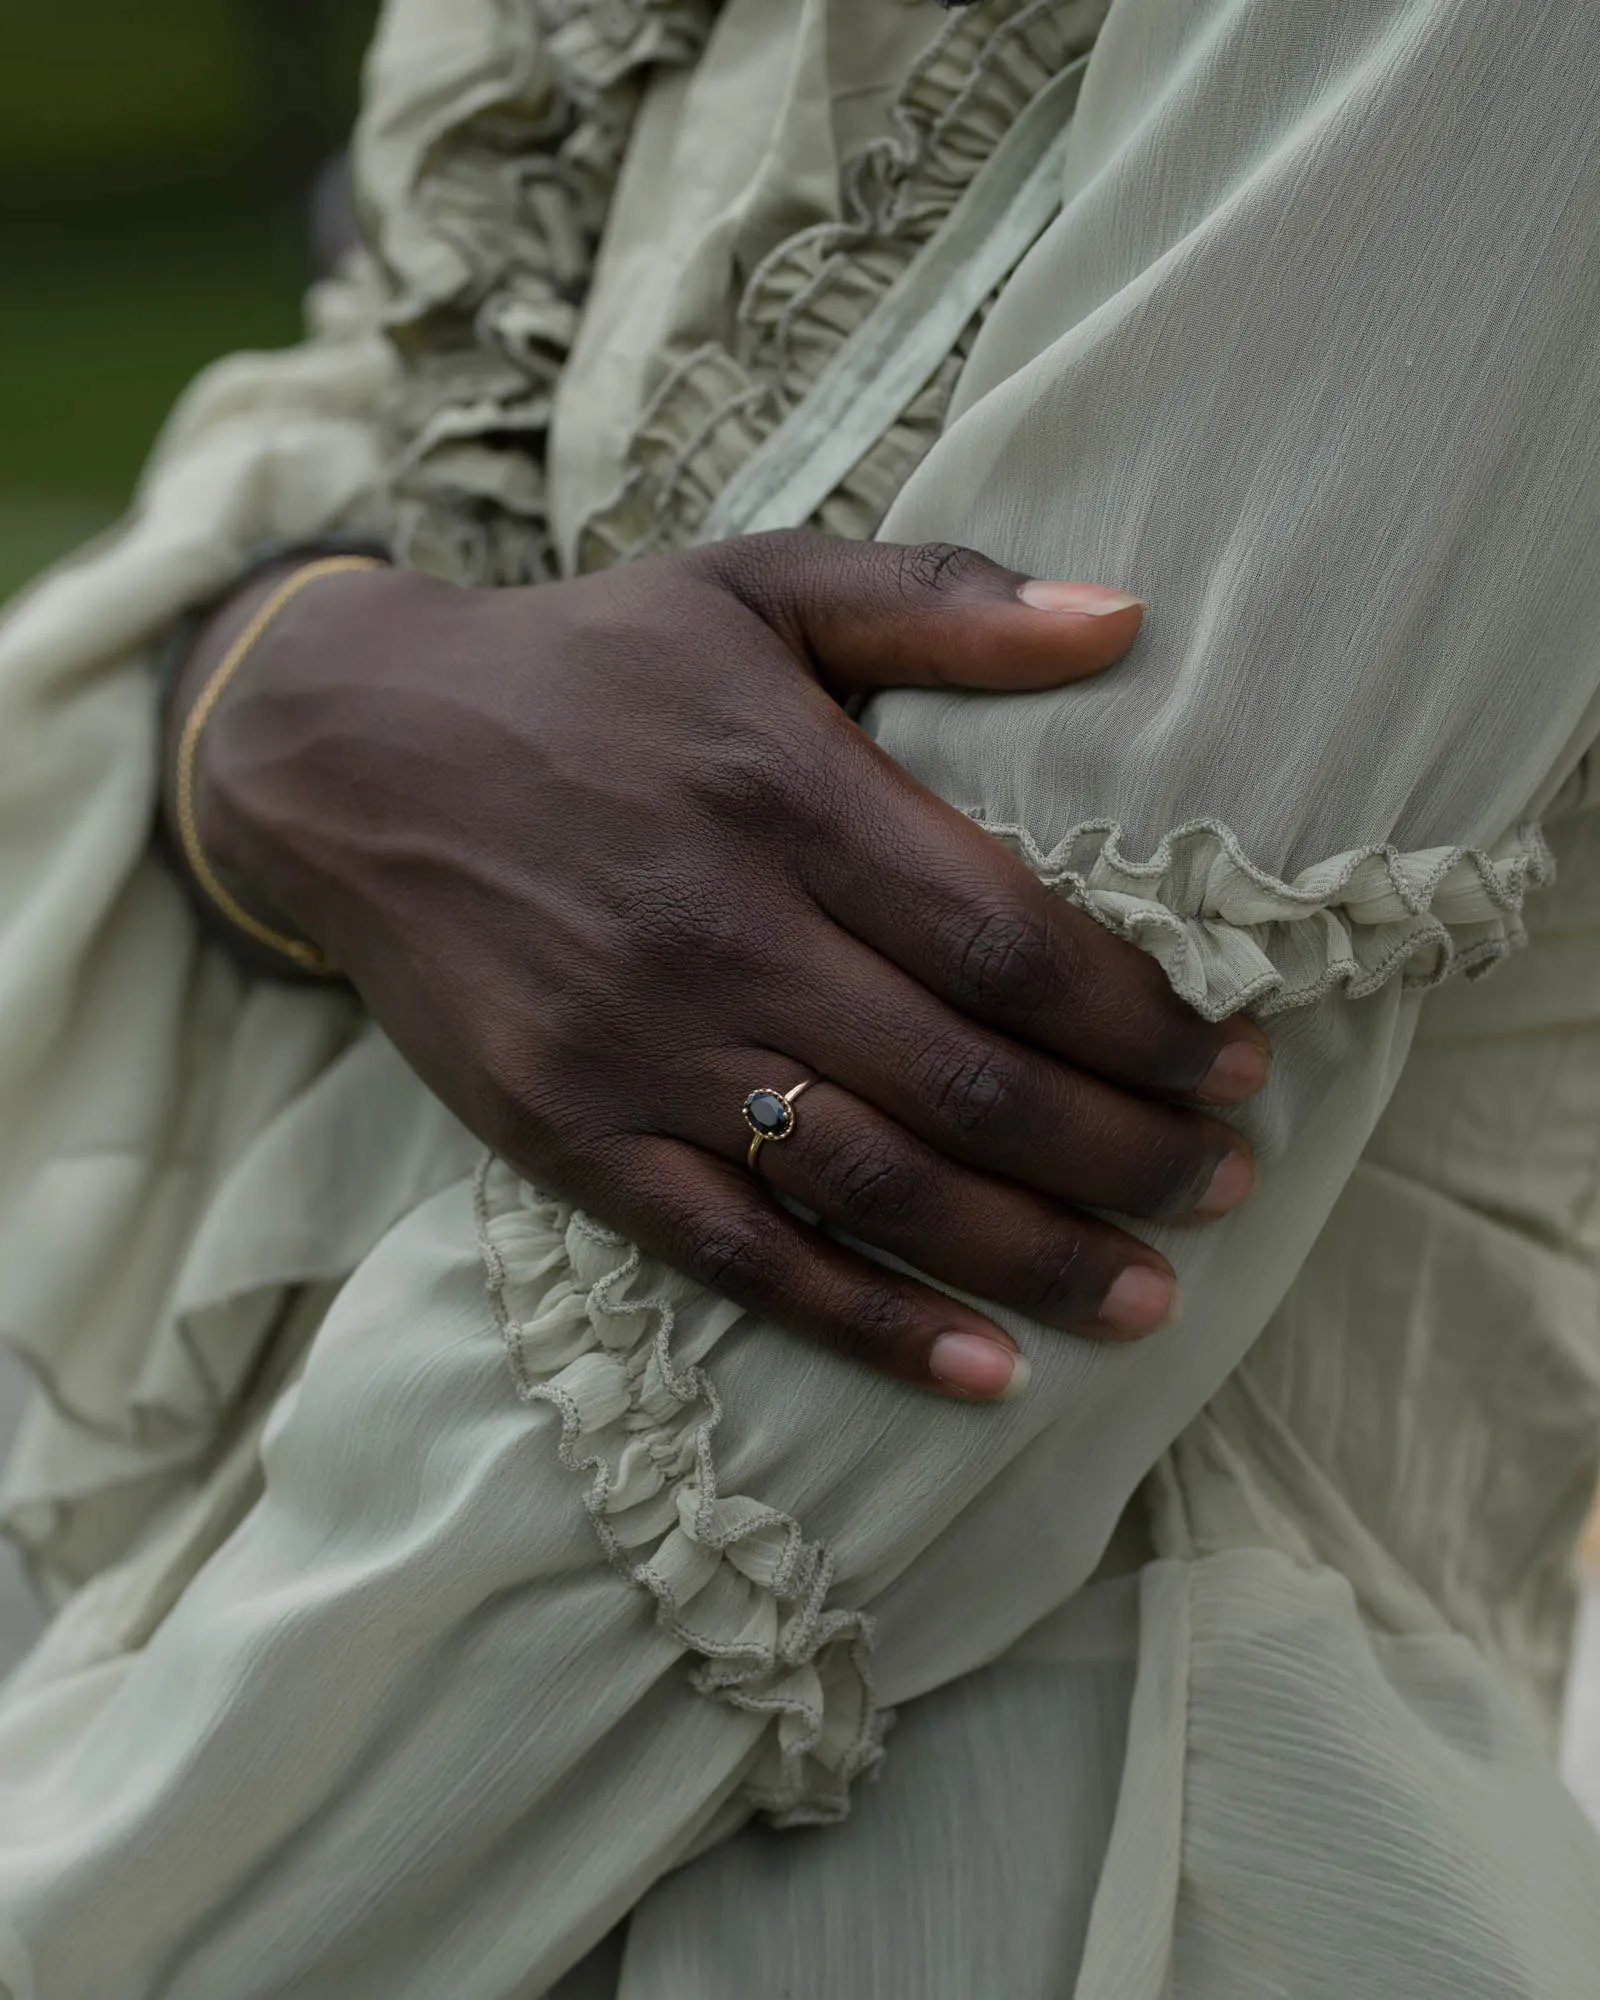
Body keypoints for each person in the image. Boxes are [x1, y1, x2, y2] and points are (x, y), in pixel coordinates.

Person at [2, 0, 1600, 1993]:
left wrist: (93, 1900)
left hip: (1007, 1864)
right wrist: (274, 686)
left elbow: (931, 1177)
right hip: (216, 1643)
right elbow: (362, 420)